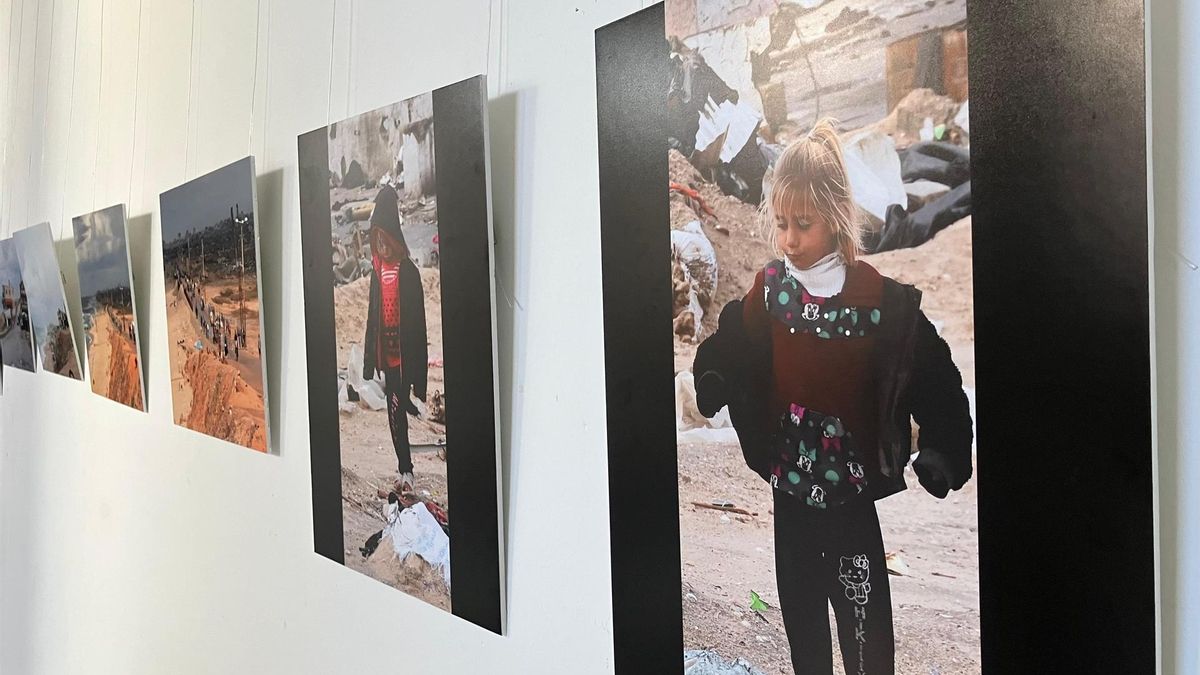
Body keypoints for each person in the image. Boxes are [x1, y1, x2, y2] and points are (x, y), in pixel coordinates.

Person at [693, 119, 973, 675]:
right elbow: (730, 343)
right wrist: (715, 378)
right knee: (803, 626)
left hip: (850, 499)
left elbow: (936, 378)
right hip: (789, 494)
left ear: (837, 218)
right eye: (781, 224)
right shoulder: (771, 292)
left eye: (803, 224)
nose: (790, 238)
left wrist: (942, 451)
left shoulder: (880, 303)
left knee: (865, 628)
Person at [361, 184, 428, 495]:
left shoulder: (409, 274)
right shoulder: (377, 274)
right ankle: (405, 469)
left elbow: (418, 327)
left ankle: (407, 471)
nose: (381, 246)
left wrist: (419, 374)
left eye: (384, 239)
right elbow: (373, 319)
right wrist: (369, 361)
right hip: (387, 358)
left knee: (397, 406)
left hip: (404, 358)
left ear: (393, 238)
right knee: (394, 409)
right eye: (376, 241)